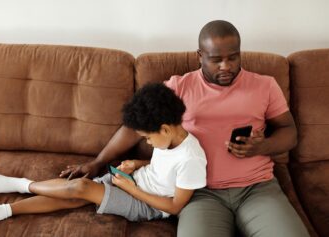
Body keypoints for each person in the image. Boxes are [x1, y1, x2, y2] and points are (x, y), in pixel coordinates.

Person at [59, 20, 310, 237]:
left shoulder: (265, 86)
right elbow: (134, 127)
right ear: (200, 55)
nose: (226, 66)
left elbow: (289, 132)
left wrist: (263, 146)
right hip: (200, 194)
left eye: (233, 57)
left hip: (257, 188)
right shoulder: (180, 86)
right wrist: (97, 162)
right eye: (216, 59)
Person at [0, 83, 207, 235]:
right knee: (75, 196)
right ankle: (6, 206)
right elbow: (164, 166)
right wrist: (139, 164)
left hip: (148, 205)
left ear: (164, 128)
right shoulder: (168, 137)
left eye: (147, 138)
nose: (147, 143)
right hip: (133, 181)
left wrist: (132, 189)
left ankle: (21, 187)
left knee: (80, 187)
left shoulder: (192, 158)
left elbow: (175, 206)